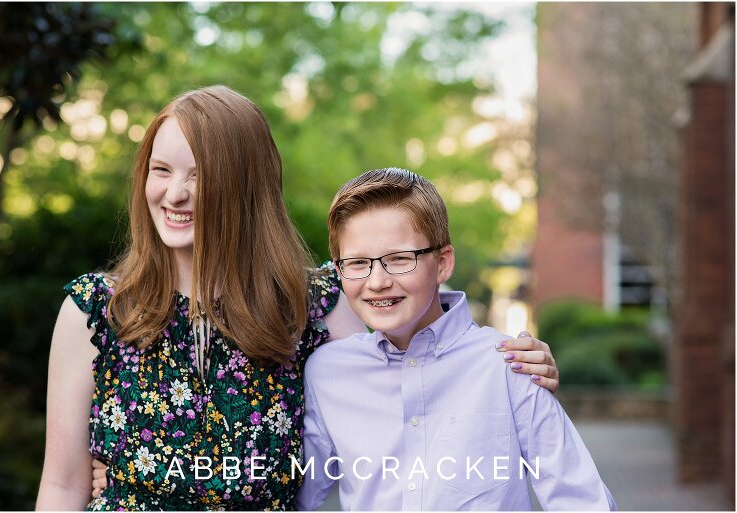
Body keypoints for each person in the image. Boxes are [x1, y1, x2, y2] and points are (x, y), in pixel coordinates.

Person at [36, 86, 560, 511]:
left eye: (200, 175)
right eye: (162, 170)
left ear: (245, 186)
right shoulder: (95, 310)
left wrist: (508, 361)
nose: (175, 193)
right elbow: (62, 487)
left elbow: (421, 349)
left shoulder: (311, 303)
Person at [295, 168, 616, 510]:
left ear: (443, 263)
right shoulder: (327, 372)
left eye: (399, 259)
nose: (377, 281)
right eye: (358, 263)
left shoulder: (510, 365)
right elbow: (297, 497)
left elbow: (581, 500)